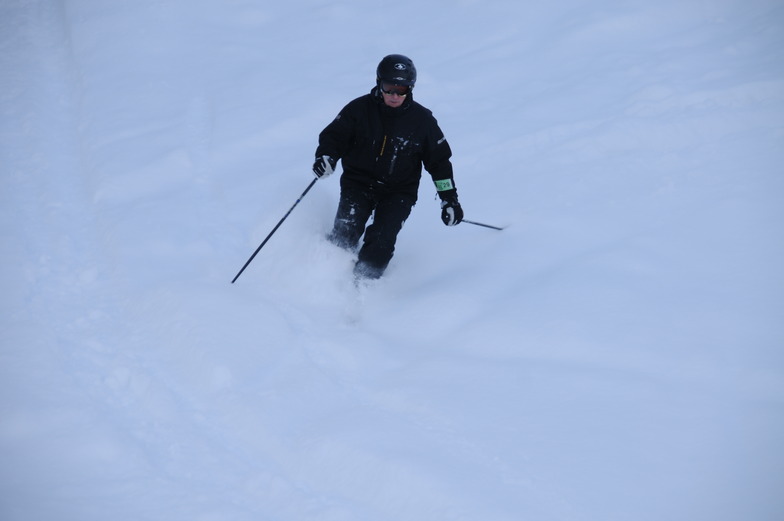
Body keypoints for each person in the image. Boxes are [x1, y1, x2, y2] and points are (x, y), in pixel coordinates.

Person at [312, 54, 464, 281]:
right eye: (389, 87)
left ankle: (362, 285)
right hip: (358, 183)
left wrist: (449, 199)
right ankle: (326, 278)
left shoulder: (422, 121)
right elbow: (334, 137)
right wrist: (326, 157)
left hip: (398, 191)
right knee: (345, 234)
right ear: (378, 83)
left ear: (410, 89)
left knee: (381, 242)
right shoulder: (359, 110)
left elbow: (439, 163)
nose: (394, 95)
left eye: (401, 89)